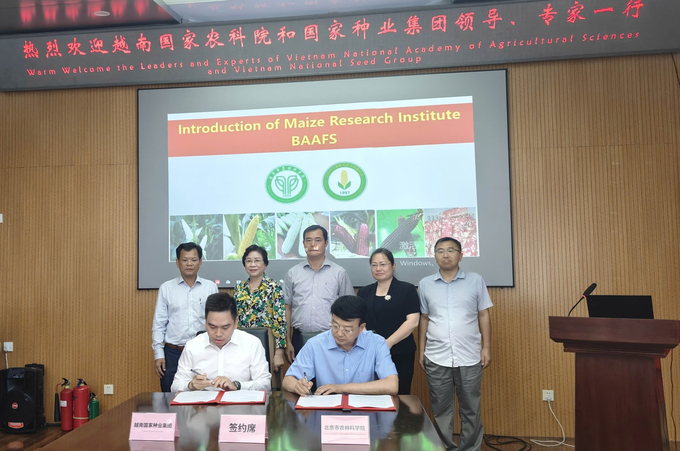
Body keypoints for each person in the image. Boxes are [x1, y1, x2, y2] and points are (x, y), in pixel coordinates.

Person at [418, 237, 493, 451]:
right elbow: (424, 318)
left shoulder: (475, 280)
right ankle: (445, 448)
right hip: (436, 356)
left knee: (471, 408)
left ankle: (470, 449)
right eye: (440, 250)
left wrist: (486, 347)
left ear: (461, 254)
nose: (446, 254)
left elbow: (484, 314)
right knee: (441, 410)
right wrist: (421, 351)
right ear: (434, 256)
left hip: (469, 356)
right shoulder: (425, 284)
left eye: (451, 250)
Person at [283, 295, 398, 396]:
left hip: (365, 413)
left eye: (347, 329)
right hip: (326, 412)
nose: (339, 333)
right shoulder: (315, 344)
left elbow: (392, 385)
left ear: (361, 328)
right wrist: (297, 386)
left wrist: (339, 388)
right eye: (335, 326)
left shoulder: (376, 343)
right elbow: (288, 380)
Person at [171, 292, 271, 392]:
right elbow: (175, 386)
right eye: (212, 327)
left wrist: (237, 385)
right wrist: (190, 385)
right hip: (203, 406)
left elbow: (265, 384)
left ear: (235, 323)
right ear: (205, 323)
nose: (218, 334)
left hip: (240, 406)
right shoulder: (192, 346)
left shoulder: (252, 343)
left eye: (225, 327)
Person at [152, 242, 218, 392]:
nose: (189, 264)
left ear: (200, 262)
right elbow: (159, 324)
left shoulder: (210, 287)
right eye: (185, 260)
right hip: (173, 353)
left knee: (204, 397)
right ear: (177, 262)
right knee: (170, 397)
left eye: (194, 260)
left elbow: (215, 322)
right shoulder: (166, 288)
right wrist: (158, 354)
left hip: (203, 351)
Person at [284, 224, 354, 362]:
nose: (313, 244)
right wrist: (287, 341)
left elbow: (349, 310)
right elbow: (287, 308)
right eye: (308, 240)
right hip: (299, 338)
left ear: (326, 243)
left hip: (332, 337)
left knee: (330, 382)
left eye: (318, 240)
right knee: (303, 381)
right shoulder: (293, 273)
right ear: (303, 244)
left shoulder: (339, 273)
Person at [357, 248, 420, 395]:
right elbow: (359, 321)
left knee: (400, 394)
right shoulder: (364, 292)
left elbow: (412, 322)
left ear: (393, 265)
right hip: (369, 353)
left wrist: (387, 344)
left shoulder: (407, 289)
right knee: (371, 395)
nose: (378, 268)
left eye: (383, 264)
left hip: (400, 352)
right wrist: (373, 345)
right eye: (374, 265)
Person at [233, 244, 287, 374]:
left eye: (257, 260)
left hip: (266, 341)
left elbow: (280, 321)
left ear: (265, 264)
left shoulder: (273, 287)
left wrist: (279, 352)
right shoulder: (239, 288)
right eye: (249, 261)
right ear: (244, 264)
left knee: (265, 382)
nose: (253, 264)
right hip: (242, 342)